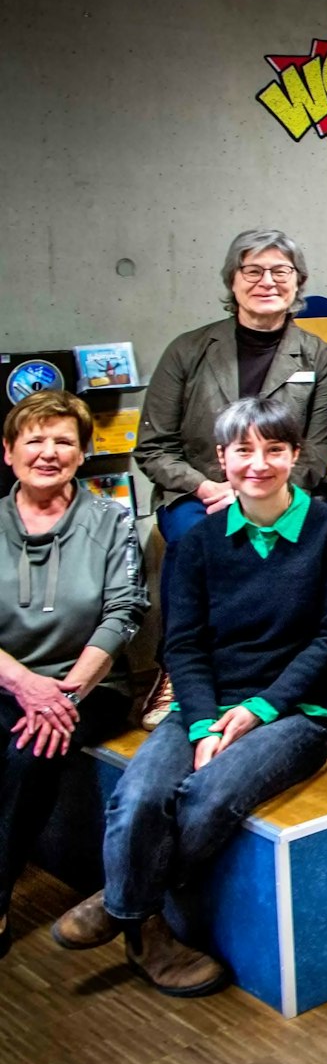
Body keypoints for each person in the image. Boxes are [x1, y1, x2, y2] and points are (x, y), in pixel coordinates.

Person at [54, 398, 327, 995]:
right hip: (204, 702)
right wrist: (200, 726)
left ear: (296, 455)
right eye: (243, 450)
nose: (259, 464)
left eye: (274, 449)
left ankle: (123, 905)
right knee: (139, 794)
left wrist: (259, 709)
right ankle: (144, 927)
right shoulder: (195, 543)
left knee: (207, 798)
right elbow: (184, 648)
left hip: (295, 709)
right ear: (221, 459)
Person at [0, 391, 147, 959]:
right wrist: (23, 685)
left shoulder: (111, 521)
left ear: (83, 454)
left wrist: (61, 693)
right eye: (33, 439)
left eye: (63, 441)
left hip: (88, 686)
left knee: (26, 749)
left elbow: (124, 611)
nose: (48, 452)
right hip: (10, 680)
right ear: (8, 451)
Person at [136, 229, 327, 547]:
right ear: (232, 281)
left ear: (297, 281)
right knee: (201, 544)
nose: (267, 281)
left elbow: (317, 451)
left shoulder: (323, 359)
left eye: (280, 271)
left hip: (289, 492)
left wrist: (261, 493)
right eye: (252, 271)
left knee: (306, 546)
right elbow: (155, 448)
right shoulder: (186, 350)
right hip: (200, 495)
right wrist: (208, 488)